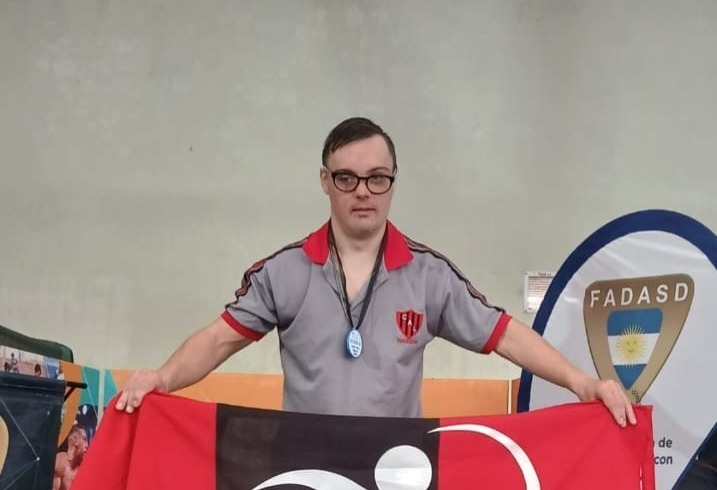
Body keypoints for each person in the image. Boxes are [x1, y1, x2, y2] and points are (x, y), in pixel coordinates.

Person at [116, 117, 635, 425]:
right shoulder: (285, 272)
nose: (363, 191)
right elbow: (218, 340)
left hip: (397, 470)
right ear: (325, 181)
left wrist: (583, 383)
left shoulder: (430, 276)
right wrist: (161, 378)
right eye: (347, 178)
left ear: (393, 181)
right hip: (304, 468)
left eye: (377, 178)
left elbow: (505, 335)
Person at [53, 425, 88, 490]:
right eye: (84, 439)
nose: (87, 445)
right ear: (74, 439)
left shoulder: (84, 470)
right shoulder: (59, 464)